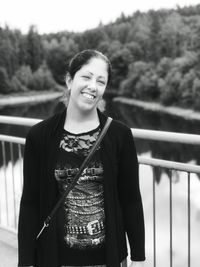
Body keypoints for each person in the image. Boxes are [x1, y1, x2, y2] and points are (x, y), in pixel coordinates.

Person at [18, 49, 145, 267]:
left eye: (101, 81)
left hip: (109, 259)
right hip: (54, 259)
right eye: (86, 77)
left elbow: (131, 199)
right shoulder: (39, 136)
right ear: (69, 80)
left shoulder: (119, 135)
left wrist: (139, 257)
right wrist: (26, 260)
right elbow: (30, 202)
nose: (92, 86)